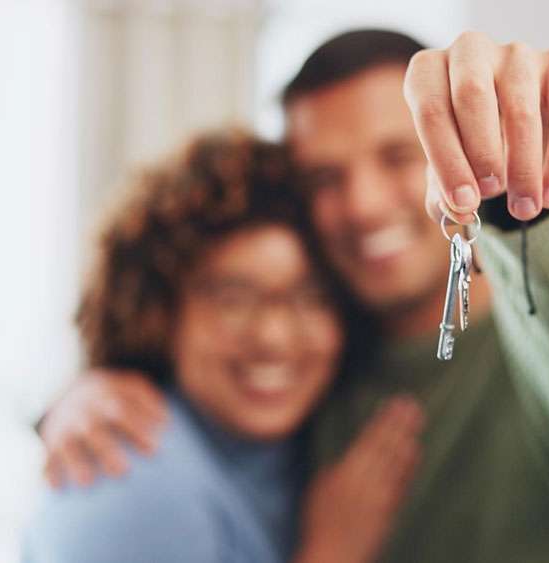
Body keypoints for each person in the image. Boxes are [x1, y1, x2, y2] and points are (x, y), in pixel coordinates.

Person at [37, 29, 549, 562]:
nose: (363, 205)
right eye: (325, 177)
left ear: (448, 145)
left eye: (398, 156)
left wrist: (529, 182)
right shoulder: (330, 366)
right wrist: (91, 387)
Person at [24, 130, 424, 563]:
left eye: (312, 298)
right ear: (161, 314)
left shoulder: (313, 446)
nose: (273, 337)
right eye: (233, 300)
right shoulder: (130, 482)